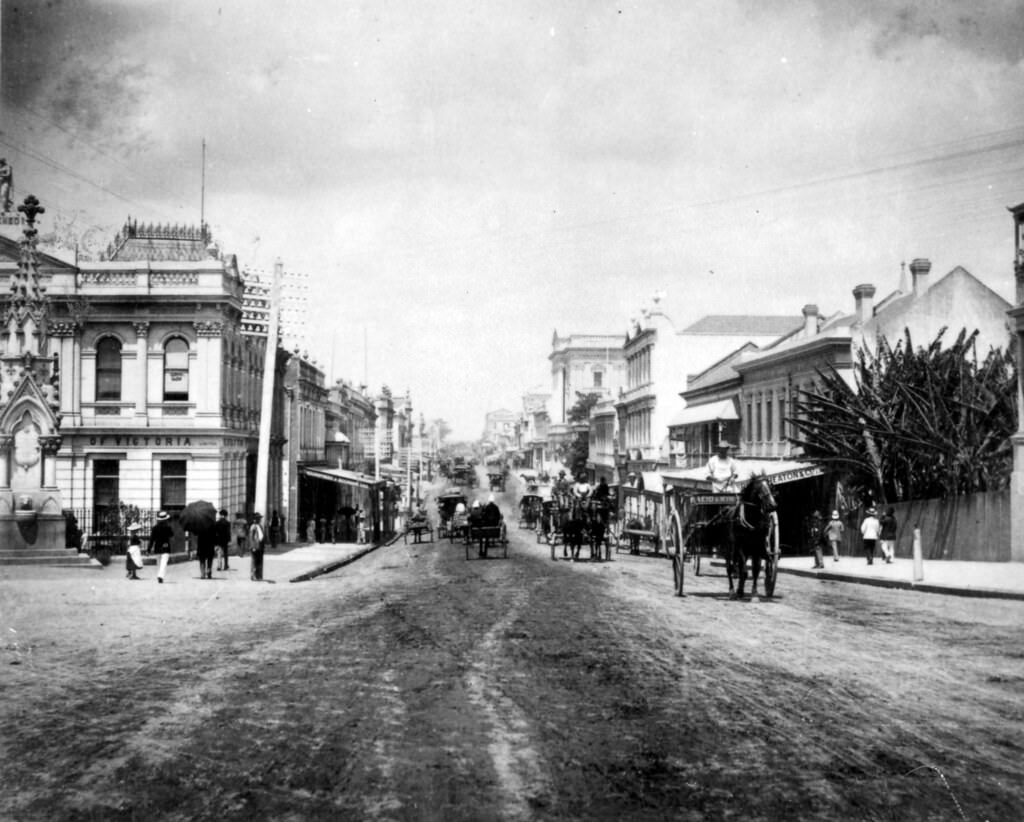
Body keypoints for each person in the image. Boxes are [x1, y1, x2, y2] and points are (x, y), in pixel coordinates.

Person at [149, 511, 174, 584]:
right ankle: (160, 576)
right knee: (164, 563)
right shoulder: (168, 527)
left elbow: (152, 539)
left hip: (157, 547)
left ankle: (159, 575)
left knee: (159, 563)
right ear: (166, 519)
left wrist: (149, 549)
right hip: (166, 546)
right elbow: (171, 535)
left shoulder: (155, 528)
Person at [249, 512, 266, 581]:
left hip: (260, 545)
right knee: (254, 561)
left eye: (259, 518)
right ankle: (253, 575)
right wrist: (253, 546)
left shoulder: (260, 526)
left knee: (259, 561)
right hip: (255, 546)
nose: (259, 519)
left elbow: (262, 536)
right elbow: (251, 537)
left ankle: (259, 575)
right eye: (258, 518)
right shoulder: (253, 526)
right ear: (255, 519)